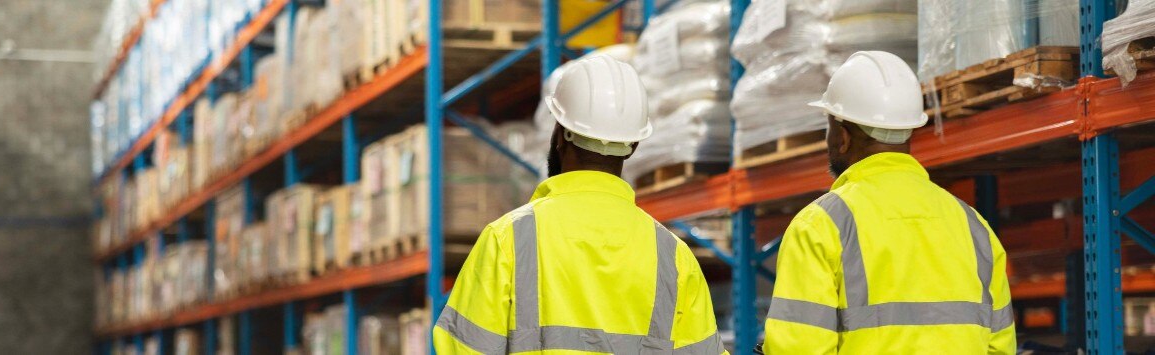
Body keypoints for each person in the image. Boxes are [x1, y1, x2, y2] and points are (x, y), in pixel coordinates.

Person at [432, 56, 727, 354]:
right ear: (633, 146)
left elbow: (461, 348)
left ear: (559, 135)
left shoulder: (507, 240)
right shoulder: (674, 257)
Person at [762, 51, 1016, 354]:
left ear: (842, 136)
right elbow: (1000, 348)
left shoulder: (819, 226)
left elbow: (799, 349)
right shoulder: (973, 226)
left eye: (829, 126)